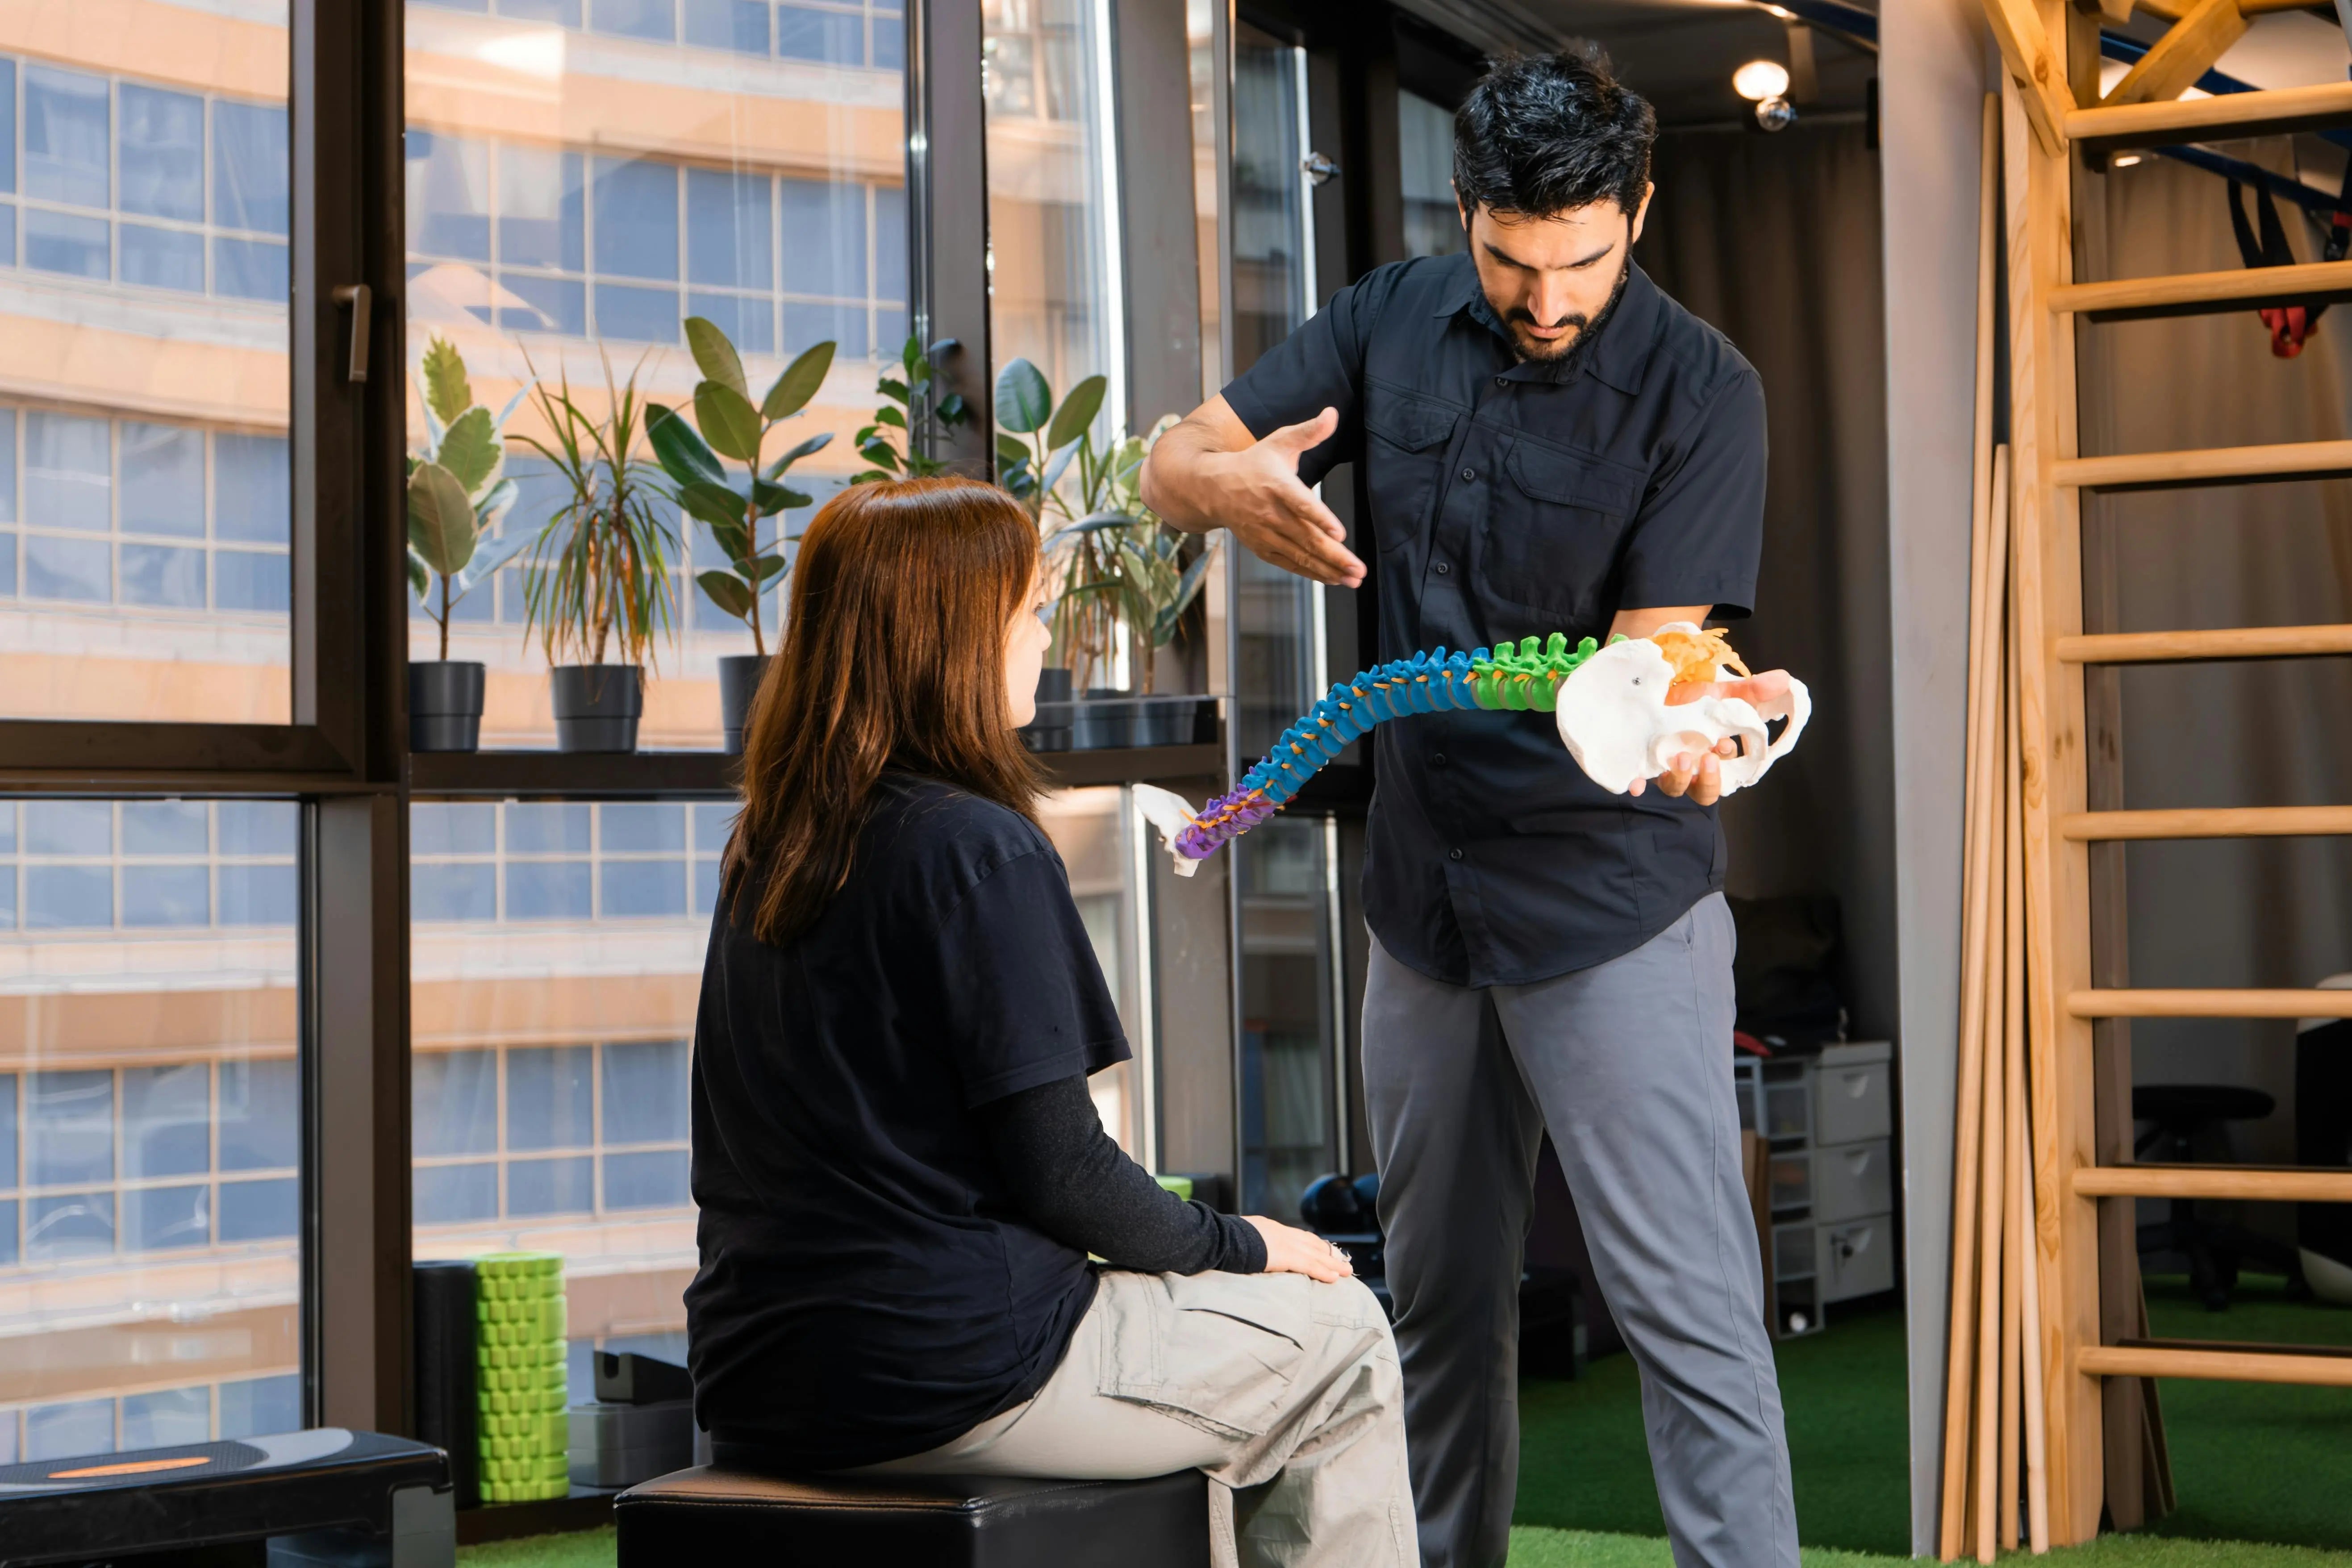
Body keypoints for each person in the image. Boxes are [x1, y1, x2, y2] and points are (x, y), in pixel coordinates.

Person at [1140, 45, 1798, 1568]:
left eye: (1580, 261)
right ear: (1465, 216)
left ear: (1637, 208)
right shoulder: (1384, 319)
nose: (1547, 300)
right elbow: (1176, 452)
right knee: (1427, 1318)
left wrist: (1692, 729)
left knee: (1683, 1318)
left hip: (1608, 905)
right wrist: (1226, 487)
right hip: (1421, 911)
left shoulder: (1702, 391)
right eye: (1511, 262)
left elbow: (1657, 662)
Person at [684, 476, 1420, 1568]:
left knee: (1211, 1350)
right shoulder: (978, 848)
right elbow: (1064, 1174)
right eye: (1028, 611)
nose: (1042, 640)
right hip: (949, 1376)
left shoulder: (772, 844)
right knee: (1343, 1337)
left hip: (756, 1377)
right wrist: (1252, 1244)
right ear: (954, 638)